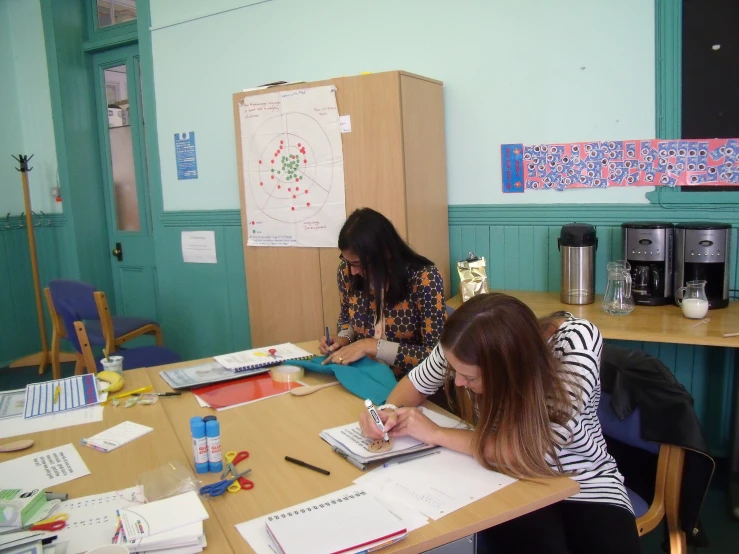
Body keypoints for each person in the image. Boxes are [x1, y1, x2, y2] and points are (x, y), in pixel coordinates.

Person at [359, 293, 641, 554]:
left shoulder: (575, 344)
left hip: (584, 482)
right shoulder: (463, 344)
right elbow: (414, 386)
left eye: (470, 378)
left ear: (511, 369)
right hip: (502, 480)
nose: (458, 382)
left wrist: (435, 433)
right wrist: (388, 412)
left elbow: (528, 452)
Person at [319, 207, 447, 376]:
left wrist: (371, 345)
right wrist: (344, 338)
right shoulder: (347, 271)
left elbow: (437, 357)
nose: (353, 270)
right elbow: (346, 318)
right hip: (363, 374)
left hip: (412, 381)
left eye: (357, 263)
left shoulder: (424, 278)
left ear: (385, 253)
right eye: (347, 261)